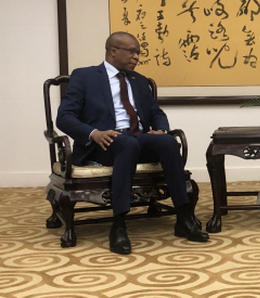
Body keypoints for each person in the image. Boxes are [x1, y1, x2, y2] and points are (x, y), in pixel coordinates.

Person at [57, 31, 209, 254]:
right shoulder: (84, 76)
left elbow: (156, 112)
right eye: (132, 52)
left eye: (138, 53)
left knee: (167, 142)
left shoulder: (138, 81)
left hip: (137, 138)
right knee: (127, 145)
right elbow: (64, 117)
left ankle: (184, 218)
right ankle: (119, 225)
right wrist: (94, 133)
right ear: (113, 51)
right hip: (104, 142)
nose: (136, 57)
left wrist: (161, 129)